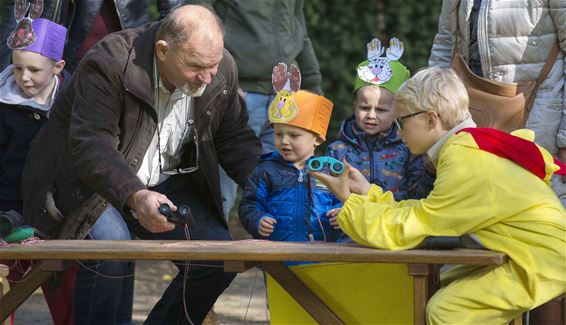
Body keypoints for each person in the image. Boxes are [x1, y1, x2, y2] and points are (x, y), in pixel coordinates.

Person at [21, 4, 261, 325]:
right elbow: (92, 145)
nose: (207, 77)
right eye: (196, 66)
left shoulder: (220, 69)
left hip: (162, 180)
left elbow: (236, 141)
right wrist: (136, 196)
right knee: (112, 252)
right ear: (163, 50)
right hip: (83, 183)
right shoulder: (109, 62)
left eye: (214, 65)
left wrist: (269, 185)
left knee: (217, 259)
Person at [311, 67, 566, 325]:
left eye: (401, 122)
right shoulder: (466, 147)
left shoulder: (465, 160)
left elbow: (412, 229)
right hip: (532, 252)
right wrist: (367, 192)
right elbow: (426, 212)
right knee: (432, 288)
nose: (398, 132)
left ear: (431, 119)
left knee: (446, 313)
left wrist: (349, 201)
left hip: (542, 260)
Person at [185, 0, 323, 217]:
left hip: (286, 96)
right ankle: (209, 247)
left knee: (281, 184)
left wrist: (313, 84)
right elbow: (199, 19)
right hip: (239, 90)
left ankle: (278, 248)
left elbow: (299, 29)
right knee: (220, 190)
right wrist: (222, 78)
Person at [0, 16, 77, 325]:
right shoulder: (4, 104)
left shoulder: (73, 102)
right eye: (18, 68)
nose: (24, 77)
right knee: (6, 290)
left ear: (57, 67)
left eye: (34, 70)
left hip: (58, 212)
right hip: (9, 208)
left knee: (68, 290)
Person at [239, 64, 342, 243]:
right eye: (278, 134)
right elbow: (249, 205)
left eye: (294, 135)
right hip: (277, 255)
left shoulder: (328, 171)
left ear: (317, 139)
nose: (284, 141)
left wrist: (343, 214)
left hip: (322, 255)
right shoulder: (266, 170)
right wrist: (257, 220)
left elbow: (346, 200)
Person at [327, 37, 434, 201]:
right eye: (364, 108)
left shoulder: (409, 148)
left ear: (398, 110)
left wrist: (429, 172)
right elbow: (326, 191)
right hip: (349, 223)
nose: (371, 115)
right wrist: (335, 209)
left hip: (394, 222)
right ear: (354, 105)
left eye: (381, 110)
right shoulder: (338, 150)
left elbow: (419, 195)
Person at [0, 0, 181, 72]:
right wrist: (5, 73)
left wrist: (157, 59)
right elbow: (19, 11)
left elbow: (173, 12)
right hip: (64, 64)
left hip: (129, 62)